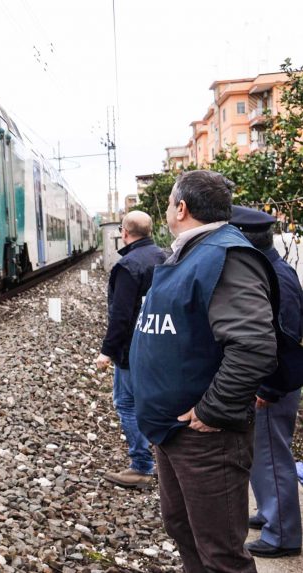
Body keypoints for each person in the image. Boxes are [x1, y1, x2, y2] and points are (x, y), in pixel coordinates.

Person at [130, 170, 278, 573]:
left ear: (181, 207)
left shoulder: (225, 256)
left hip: (205, 438)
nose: (165, 211)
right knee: (184, 530)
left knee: (221, 553)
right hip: (172, 430)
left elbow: (253, 346)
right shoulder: (193, 252)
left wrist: (213, 410)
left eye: (167, 204)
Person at [230, 205, 302, 559]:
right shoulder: (268, 269)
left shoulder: (277, 275)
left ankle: (283, 535)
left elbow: (287, 336)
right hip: (270, 385)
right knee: (264, 456)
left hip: (274, 387)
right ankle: (271, 514)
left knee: (273, 458)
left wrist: (268, 388)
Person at [96, 210, 166, 488]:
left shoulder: (127, 266)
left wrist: (106, 351)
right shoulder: (165, 257)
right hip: (161, 342)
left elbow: (121, 316)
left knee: (126, 403)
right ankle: (165, 462)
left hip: (132, 349)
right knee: (156, 401)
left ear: (124, 232)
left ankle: (142, 466)